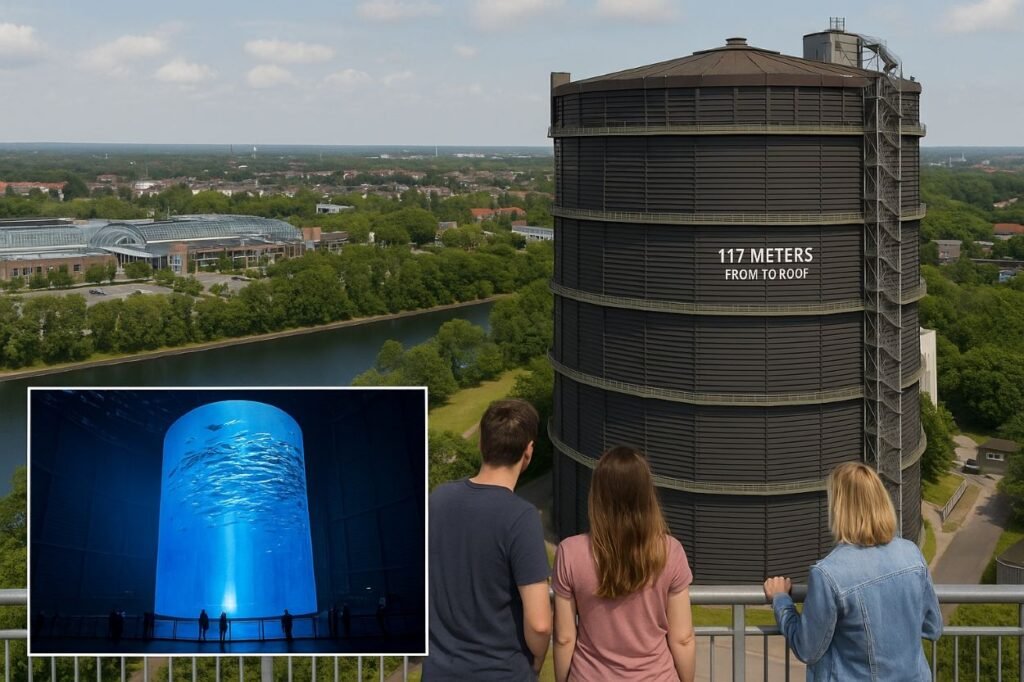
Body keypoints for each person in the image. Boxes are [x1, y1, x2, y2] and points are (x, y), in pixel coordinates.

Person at [764, 461, 943, 680]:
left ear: (839, 509)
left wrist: (781, 600)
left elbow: (807, 648)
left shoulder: (829, 574)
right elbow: (932, 627)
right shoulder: (911, 554)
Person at [424, 399, 551, 680]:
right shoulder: (521, 517)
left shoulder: (438, 499)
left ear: (481, 443)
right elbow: (540, 624)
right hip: (501, 672)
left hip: (440, 672)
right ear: (529, 451)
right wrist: (536, 663)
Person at [552, 446, 695, 682]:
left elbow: (564, 638)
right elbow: (683, 638)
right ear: (647, 494)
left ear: (597, 495)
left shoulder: (570, 552)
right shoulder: (671, 551)